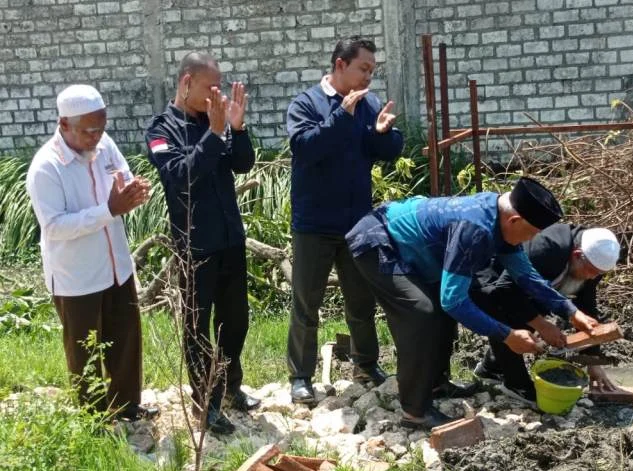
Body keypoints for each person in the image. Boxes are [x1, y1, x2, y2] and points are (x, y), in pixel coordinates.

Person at [346, 177, 599, 429]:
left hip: (416, 252)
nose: (528, 240)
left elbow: (526, 275)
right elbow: (454, 301)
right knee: (421, 313)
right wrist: (507, 334)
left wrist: (570, 311)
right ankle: (415, 411)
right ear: (515, 220)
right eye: (531, 233)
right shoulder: (476, 229)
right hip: (378, 240)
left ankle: (435, 383)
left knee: (441, 313)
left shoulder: (501, 222)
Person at [26, 84, 158, 421]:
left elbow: (121, 175)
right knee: (85, 351)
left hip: (116, 265)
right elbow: (54, 226)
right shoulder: (46, 167)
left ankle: (128, 408)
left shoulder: (104, 143)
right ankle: (94, 419)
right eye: (88, 130)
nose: (96, 137)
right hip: (76, 276)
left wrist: (132, 190)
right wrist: (110, 209)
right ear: (63, 125)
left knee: (126, 338)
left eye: (101, 127)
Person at [145, 52, 259, 435]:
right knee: (199, 328)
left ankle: (230, 387)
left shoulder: (215, 121)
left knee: (236, 321)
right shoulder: (163, 129)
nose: (218, 93)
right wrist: (214, 134)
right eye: (211, 86)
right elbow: (180, 176)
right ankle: (205, 403)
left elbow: (242, 164)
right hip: (195, 248)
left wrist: (237, 130)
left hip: (229, 239)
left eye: (220, 86)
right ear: (186, 82)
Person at [286, 36, 403, 404]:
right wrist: (341, 115)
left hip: (356, 223)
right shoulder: (306, 103)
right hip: (314, 223)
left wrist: (385, 134)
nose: (368, 77)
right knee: (307, 302)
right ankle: (301, 376)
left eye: (372, 70)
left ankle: (366, 364)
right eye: (363, 69)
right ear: (340, 65)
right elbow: (305, 149)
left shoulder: (367, 106)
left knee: (362, 300)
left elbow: (381, 153)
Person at [470, 224, 622, 404]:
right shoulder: (546, 249)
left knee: (536, 309)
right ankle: (516, 384)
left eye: (598, 274)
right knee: (509, 316)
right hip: (490, 279)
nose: (591, 278)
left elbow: (587, 306)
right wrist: (542, 326)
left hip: (522, 288)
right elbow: (505, 290)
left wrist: (593, 362)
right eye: (591, 272)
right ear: (577, 255)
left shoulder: (592, 263)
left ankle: (491, 368)